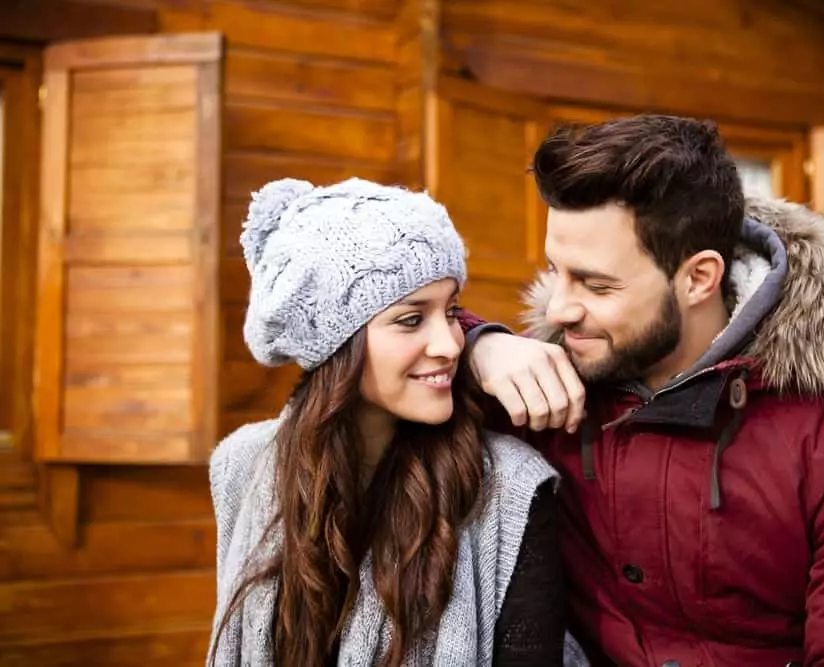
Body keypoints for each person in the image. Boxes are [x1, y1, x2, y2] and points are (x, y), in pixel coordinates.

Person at [458, 115, 824, 666]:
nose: (558, 309)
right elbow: (378, 335)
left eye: (596, 284)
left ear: (698, 278)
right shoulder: (545, 388)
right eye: (556, 272)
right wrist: (478, 344)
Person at [206, 177, 572, 667]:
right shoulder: (242, 466)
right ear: (335, 342)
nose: (450, 344)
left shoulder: (510, 488)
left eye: (451, 310)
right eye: (410, 319)